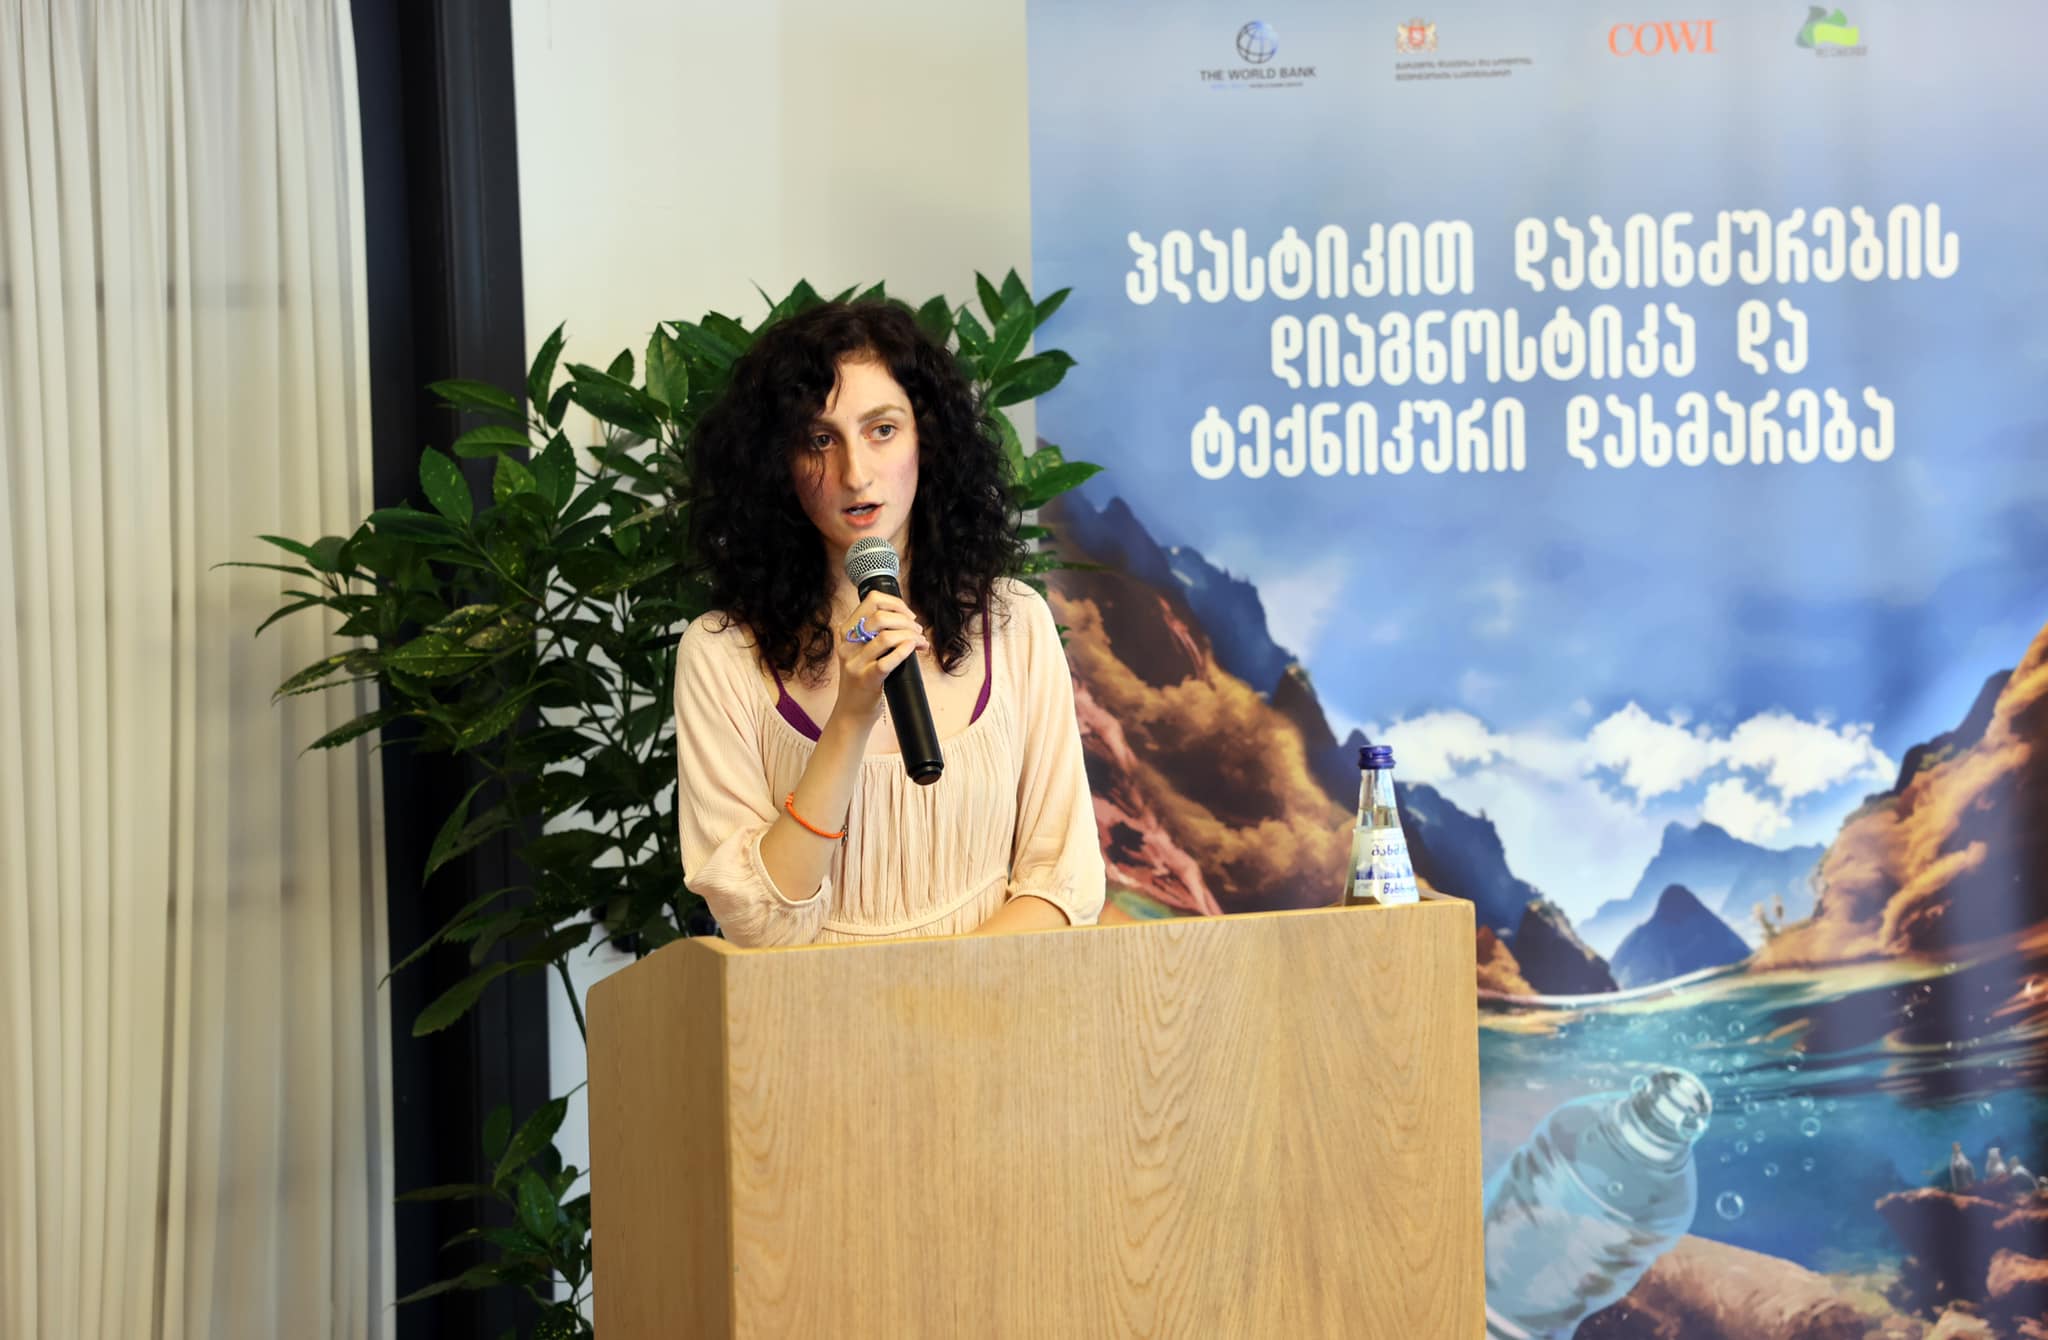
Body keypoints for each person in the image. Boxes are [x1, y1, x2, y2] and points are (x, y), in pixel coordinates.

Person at [672, 300, 1106, 947]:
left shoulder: (1014, 623)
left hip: (994, 1004)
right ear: (777, 464)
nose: (855, 473)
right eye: (820, 440)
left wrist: (929, 993)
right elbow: (761, 923)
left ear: (927, 440)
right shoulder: (722, 656)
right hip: (810, 1011)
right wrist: (850, 716)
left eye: (882, 429)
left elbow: (1063, 885)